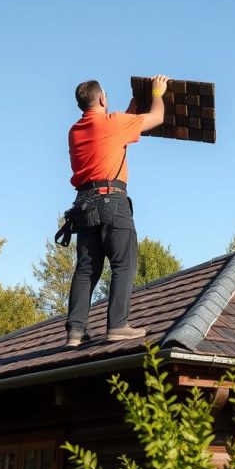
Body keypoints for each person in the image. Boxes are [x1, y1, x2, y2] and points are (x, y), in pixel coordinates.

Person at [64, 75, 169, 347]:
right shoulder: (113, 123)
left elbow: (111, 137)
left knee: (86, 269)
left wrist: (132, 109)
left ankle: (75, 333)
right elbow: (156, 117)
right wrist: (157, 92)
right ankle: (118, 326)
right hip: (113, 202)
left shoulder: (75, 131)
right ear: (101, 99)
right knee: (124, 263)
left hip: (84, 205)